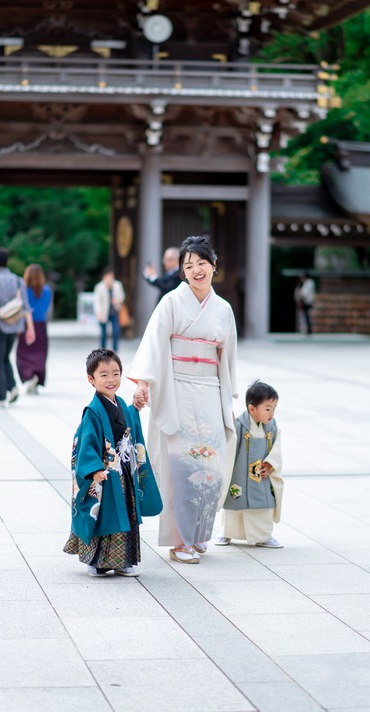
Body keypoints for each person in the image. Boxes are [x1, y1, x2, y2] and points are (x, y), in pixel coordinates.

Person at [127, 235, 239, 564]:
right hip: (176, 390)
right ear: (182, 272)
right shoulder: (171, 303)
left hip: (209, 390)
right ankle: (179, 541)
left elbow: (227, 356)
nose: (196, 270)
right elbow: (153, 344)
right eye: (188, 266)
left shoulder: (223, 310)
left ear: (213, 266)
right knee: (181, 465)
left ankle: (199, 534)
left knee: (211, 465)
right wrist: (145, 382)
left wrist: (228, 395)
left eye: (202, 263)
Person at [63, 349, 163, 577]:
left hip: (122, 475)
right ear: (91, 379)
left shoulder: (119, 405)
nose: (111, 380)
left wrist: (134, 409)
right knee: (103, 515)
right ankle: (96, 561)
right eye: (104, 375)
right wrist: (94, 468)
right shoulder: (92, 412)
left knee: (126, 513)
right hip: (104, 477)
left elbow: (127, 423)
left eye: (116, 373)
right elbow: (85, 443)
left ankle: (124, 561)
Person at [216, 380, 284, 549]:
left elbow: (276, 446)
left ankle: (263, 536)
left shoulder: (272, 426)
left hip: (261, 474)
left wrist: (270, 464)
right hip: (239, 473)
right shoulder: (239, 425)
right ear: (252, 409)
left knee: (263, 504)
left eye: (274, 408)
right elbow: (228, 447)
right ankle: (227, 533)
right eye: (268, 409)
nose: (272, 413)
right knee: (234, 502)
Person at [0, 248, 36, 405]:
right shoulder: (18, 281)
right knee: (4, 358)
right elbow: (26, 307)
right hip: (15, 327)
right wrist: (30, 329)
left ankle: (0, 397)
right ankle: (12, 388)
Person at [17, 264, 53, 395]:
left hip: (27, 325)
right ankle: (37, 377)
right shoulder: (47, 290)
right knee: (40, 353)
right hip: (41, 325)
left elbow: (22, 308)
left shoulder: (24, 290)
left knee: (23, 353)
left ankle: (29, 375)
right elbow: (47, 307)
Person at [92, 267, 126, 352]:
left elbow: (122, 297)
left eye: (112, 276)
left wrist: (117, 300)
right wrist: (98, 312)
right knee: (103, 333)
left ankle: (115, 349)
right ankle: (102, 350)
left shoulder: (117, 285)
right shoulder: (99, 287)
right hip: (103, 312)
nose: (111, 278)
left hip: (114, 311)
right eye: (109, 276)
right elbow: (97, 301)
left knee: (116, 331)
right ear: (104, 277)